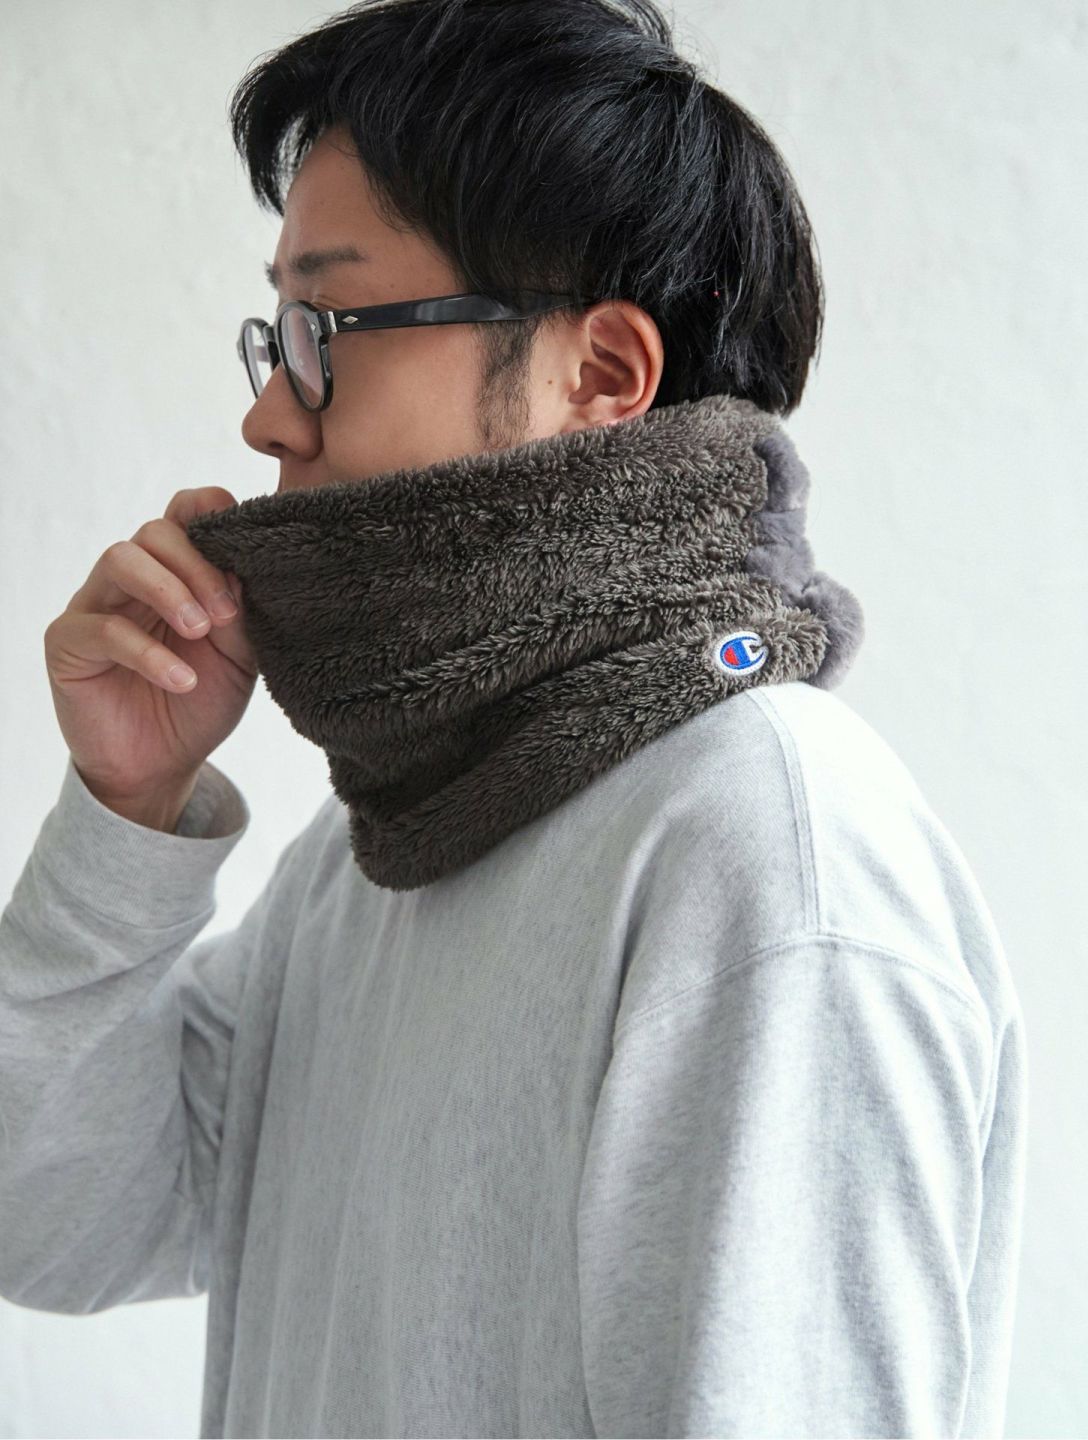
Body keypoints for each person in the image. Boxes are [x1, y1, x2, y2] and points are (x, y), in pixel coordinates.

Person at [0, 1, 1028, 1436]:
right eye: (276, 337)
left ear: (600, 376)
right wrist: (128, 809)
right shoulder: (378, 851)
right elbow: (54, 1221)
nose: (270, 419)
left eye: (327, 330)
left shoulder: (764, 855)